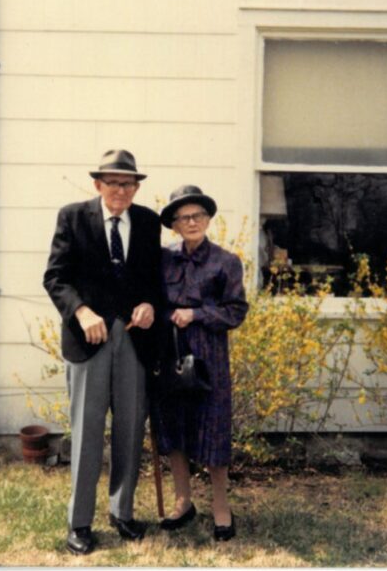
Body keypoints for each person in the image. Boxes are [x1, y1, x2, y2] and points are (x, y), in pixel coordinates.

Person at [43, 149, 163, 556]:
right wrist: (81, 311)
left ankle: (122, 512)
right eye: (112, 183)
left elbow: (154, 282)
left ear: (136, 187)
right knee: (88, 432)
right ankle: (80, 522)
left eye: (128, 184)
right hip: (88, 340)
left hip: (133, 340)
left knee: (130, 428)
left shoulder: (147, 223)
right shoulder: (73, 217)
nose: (120, 190)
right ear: (97, 185)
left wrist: (149, 305)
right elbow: (55, 278)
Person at [151, 185, 248, 541]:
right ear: (174, 225)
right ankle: (183, 502)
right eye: (183, 217)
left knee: (213, 431)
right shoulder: (163, 258)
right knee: (174, 429)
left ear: (207, 219)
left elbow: (235, 311)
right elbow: (152, 301)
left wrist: (196, 313)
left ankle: (221, 507)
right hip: (171, 353)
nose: (191, 222)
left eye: (197, 216)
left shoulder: (226, 261)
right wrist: (167, 314)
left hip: (209, 357)